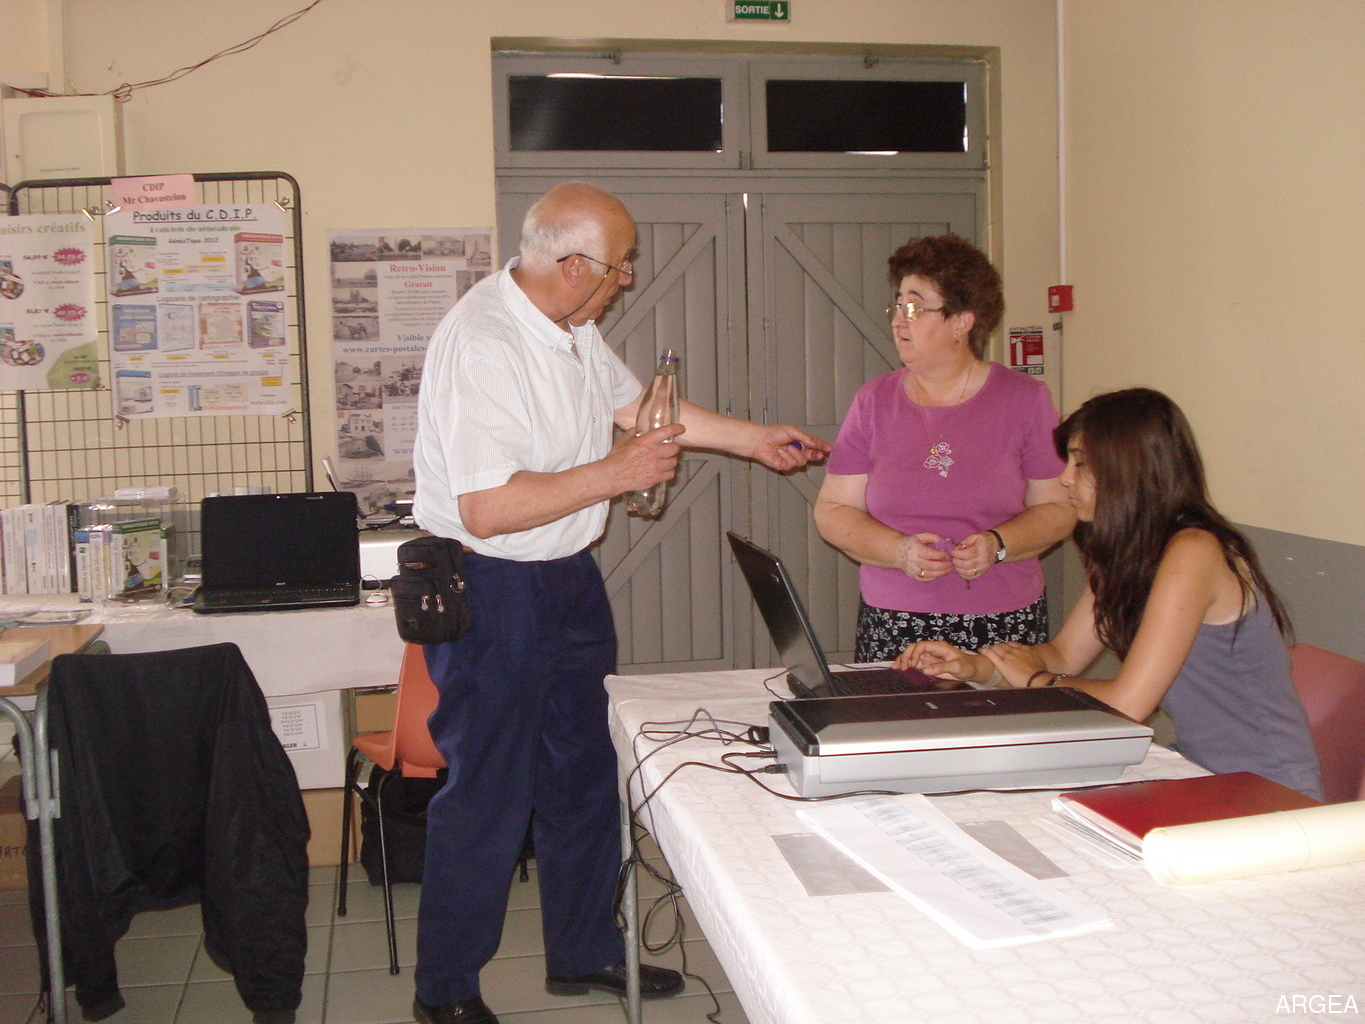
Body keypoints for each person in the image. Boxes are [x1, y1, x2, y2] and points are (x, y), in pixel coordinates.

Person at [410, 181, 829, 1024]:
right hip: (492, 586)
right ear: (573, 266)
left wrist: (753, 440)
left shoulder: (569, 326)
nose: (628, 278)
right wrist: (616, 473)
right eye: (620, 265)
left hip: (565, 579)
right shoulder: (484, 342)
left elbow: (637, 407)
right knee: (489, 793)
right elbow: (486, 508)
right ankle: (444, 990)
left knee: (584, 774)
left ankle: (584, 951)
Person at [895, 387, 1322, 799]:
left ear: (1127, 470)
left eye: (1080, 463)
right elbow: (1063, 655)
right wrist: (974, 668)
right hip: (1200, 771)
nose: (1065, 479)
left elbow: (1129, 704)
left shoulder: (1194, 551)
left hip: (1268, 791)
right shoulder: (1132, 553)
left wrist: (1039, 681)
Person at [813, 234, 1075, 662]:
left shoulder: (1025, 400)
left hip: (1002, 621)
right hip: (893, 618)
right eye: (898, 305)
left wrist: (998, 544)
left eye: (915, 308)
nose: (899, 321)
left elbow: (1059, 509)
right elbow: (833, 511)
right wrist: (897, 551)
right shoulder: (873, 401)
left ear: (962, 322)